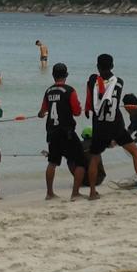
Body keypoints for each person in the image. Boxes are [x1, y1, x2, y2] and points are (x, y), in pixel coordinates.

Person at [84, 54, 137, 198]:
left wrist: (87, 109)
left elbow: (91, 98)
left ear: (98, 66)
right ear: (112, 66)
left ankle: (92, 192)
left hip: (99, 126)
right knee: (136, 153)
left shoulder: (92, 81)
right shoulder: (119, 82)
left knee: (95, 157)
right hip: (115, 125)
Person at [39, 63, 85, 200]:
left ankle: (49, 193)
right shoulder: (70, 91)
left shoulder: (48, 91)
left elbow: (42, 112)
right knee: (81, 161)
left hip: (52, 132)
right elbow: (77, 112)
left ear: (53, 76)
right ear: (66, 75)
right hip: (67, 132)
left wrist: (40, 114)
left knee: (52, 162)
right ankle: (75, 193)